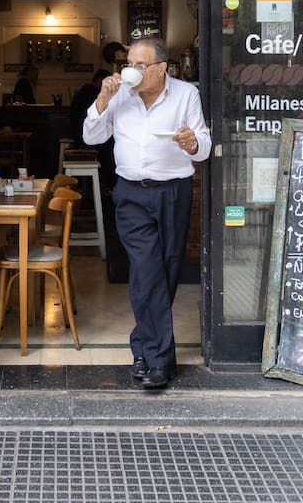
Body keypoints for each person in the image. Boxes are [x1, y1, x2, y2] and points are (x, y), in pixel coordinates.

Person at [83, 37, 211, 391]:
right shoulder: (120, 95)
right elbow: (91, 136)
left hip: (173, 191)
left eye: (141, 66)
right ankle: (159, 361)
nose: (132, 71)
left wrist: (192, 143)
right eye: (129, 64)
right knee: (146, 268)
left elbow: (203, 146)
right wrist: (102, 100)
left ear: (161, 68)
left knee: (166, 270)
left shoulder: (186, 94)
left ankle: (142, 347)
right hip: (130, 193)